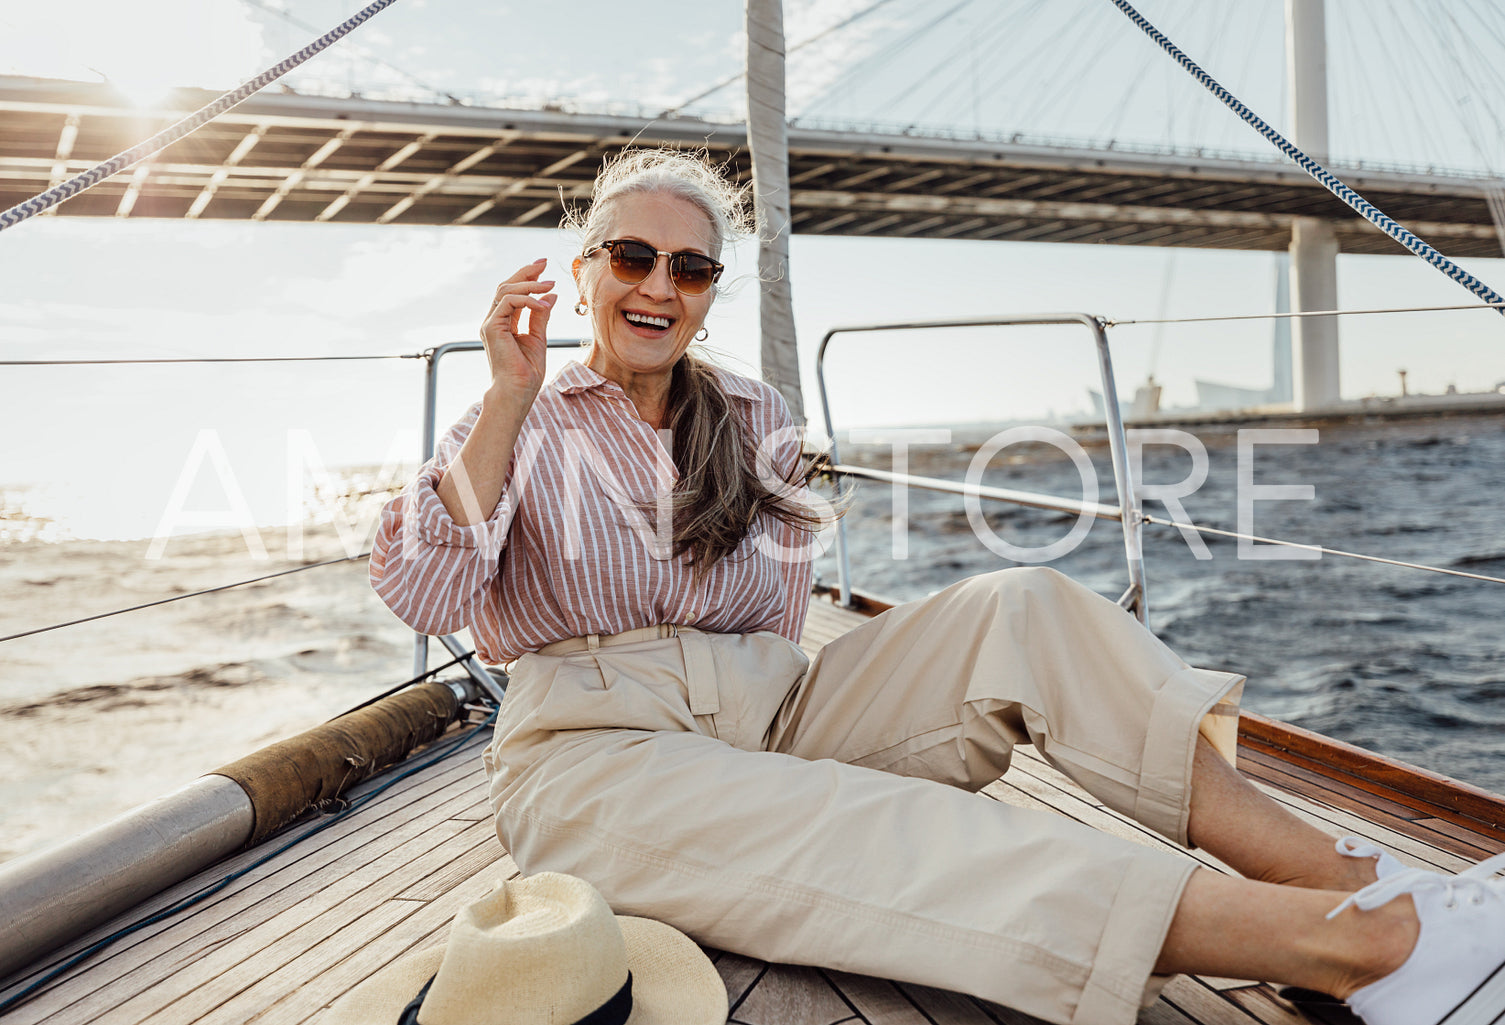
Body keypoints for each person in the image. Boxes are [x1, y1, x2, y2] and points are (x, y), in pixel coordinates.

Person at [370, 148, 1505, 1025]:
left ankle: (1364, 874)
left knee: (1023, 604)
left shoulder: (757, 416)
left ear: (711, 288)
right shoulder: (513, 419)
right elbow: (420, 590)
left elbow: (774, 615)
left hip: (769, 711)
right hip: (594, 750)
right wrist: (511, 394)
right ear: (582, 274)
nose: (658, 284)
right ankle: (1374, 948)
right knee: (875, 823)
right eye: (630, 257)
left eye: (691, 265)